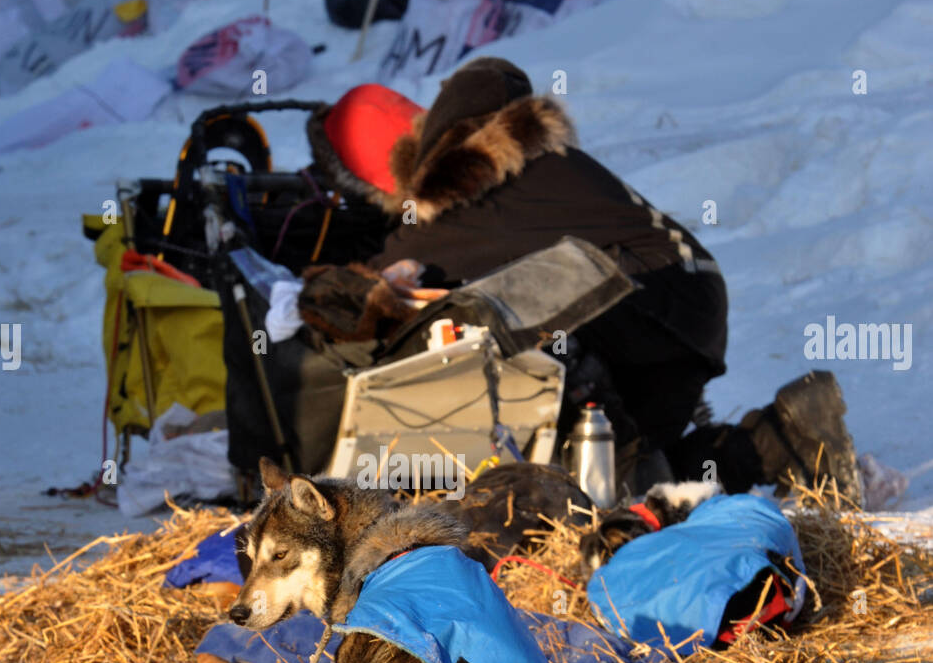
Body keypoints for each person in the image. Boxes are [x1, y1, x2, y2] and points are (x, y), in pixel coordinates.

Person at [302, 58, 859, 501]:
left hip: (647, 304)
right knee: (645, 464)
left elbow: (381, 296)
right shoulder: (541, 164)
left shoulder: (470, 192)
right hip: (681, 307)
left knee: (535, 360)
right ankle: (789, 439)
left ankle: (612, 497)